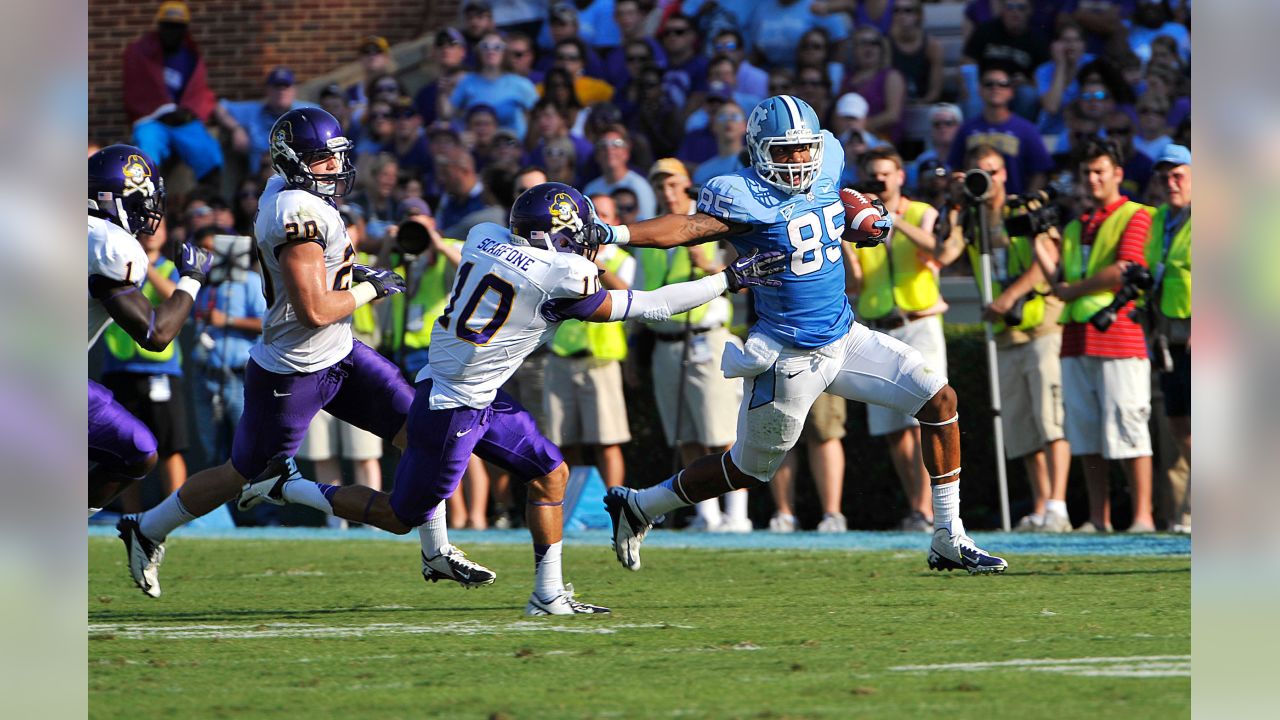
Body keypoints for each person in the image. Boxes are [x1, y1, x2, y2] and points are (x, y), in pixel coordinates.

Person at [237, 182, 785, 613]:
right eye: (574, 234)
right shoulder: (559, 274)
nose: (583, 245)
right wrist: (728, 280)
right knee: (400, 515)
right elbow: (654, 304)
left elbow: (525, 262)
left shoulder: (482, 236)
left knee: (551, 473)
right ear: (551, 237)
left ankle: (548, 593)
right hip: (450, 406)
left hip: (477, 394)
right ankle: (291, 486)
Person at [597, 95, 1009, 572]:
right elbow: (685, 228)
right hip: (787, 356)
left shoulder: (829, 162)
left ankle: (948, 536)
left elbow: (827, 216)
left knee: (939, 400)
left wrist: (860, 221)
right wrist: (613, 233)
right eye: (784, 151)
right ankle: (641, 505)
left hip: (845, 335)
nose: (798, 161)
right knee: (747, 469)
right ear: (757, 150)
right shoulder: (741, 194)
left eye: (804, 149)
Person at [114, 108, 486, 598]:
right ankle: (147, 527)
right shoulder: (296, 212)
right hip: (291, 370)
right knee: (239, 473)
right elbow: (313, 309)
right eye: (322, 159)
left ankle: (435, 549)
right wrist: (372, 288)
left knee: (417, 432)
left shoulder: (290, 194)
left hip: (342, 353)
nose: (335, 167)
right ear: (294, 162)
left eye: (335, 158)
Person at [941, 145, 1071, 532]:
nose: (988, 180)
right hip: (1004, 334)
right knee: (1021, 426)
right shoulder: (971, 216)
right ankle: (1040, 504)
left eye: (993, 172)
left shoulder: (1022, 209)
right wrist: (952, 204)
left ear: (1005, 174)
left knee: (1050, 419)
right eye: (979, 173)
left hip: (1040, 323)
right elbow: (946, 254)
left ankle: (1059, 506)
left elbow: (1048, 258)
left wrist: (1009, 297)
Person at [1032, 137, 1155, 533]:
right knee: (1084, 434)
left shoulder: (1137, 214)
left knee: (1129, 427)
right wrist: (1035, 240)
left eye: (1100, 170)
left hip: (1121, 334)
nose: (1093, 178)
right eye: (1086, 172)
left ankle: (1143, 517)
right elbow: (1061, 282)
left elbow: (1127, 267)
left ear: (1118, 174)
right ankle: (1098, 519)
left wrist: (1072, 289)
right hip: (1076, 336)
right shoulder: (1074, 226)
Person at [88, 145, 211, 515]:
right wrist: (191, 279)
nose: (148, 210)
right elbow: (156, 334)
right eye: (140, 199)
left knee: (136, 448)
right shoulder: (108, 243)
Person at [638, 158, 750, 532]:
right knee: (686, 433)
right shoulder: (650, 234)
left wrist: (706, 264)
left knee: (720, 432)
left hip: (706, 336)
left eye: (672, 185)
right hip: (667, 340)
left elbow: (745, 276)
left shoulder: (713, 225)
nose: (667, 193)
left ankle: (737, 515)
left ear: (687, 186)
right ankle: (707, 515)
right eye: (660, 187)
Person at [848, 146, 952, 532]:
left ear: (900, 176)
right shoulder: (855, 220)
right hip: (878, 325)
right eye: (873, 175)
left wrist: (893, 221)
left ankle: (929, 508)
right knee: (892, 429)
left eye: (886, 174)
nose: (880, 180)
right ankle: (917, 507)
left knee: (925, 416)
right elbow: (855, 282)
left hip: (919, 321)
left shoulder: (924, 212)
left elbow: (940, 251)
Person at [543, 194, 636, 489]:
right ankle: (570, 507)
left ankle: (614, 504)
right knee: (563, 442)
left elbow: (628, 295)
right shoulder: (563, 257)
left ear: (615, 222)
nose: (596, 222)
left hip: (600, 360)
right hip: (561, 355)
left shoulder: (623, 260)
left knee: (607, 441)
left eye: (604, 215)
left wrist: (595, 262)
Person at [99, 218, 191, 513]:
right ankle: (131, 515)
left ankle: (175, 514)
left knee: (169, 446)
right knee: (123, 448)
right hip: (120, 365)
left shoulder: (167, 267)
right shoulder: (116, 263)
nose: (151, 233)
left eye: (158, 228)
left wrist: (146, 265)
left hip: (159, 370)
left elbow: (175, 298)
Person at [188, 227, 266, 467]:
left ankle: (256, 504)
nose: (209, 258)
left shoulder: (251, 282)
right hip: (205, 375)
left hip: (238, 377)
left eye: (213, 251)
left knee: (246, 450)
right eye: (202, 251)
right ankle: (218, 505)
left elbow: (267, 323)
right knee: (212, 451)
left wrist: (229, 320)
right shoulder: (202, 286)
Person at [122, 1, 223, 183]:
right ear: (159, 27)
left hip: (182, 121)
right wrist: (161, 110)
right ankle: (148, 198)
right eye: (167, 27)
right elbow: (136, 92)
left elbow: (198, 92)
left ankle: (209, 199)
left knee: (209, 153)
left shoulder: (191, 56)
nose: (172, 32)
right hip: (152, 120)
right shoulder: (141, 52)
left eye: (177, 27)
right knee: (146, 152)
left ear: (185, 30)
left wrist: (189, 110)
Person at [1145, 144, 1191, 533]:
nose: (1170, 183)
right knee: (1180, 425)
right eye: (1165, 176)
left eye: (1178, 175)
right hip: (1167, 333)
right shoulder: (1160, 219)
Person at [948, 63, 1055, 195]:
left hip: (1014, 207)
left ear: (1011, 91)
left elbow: (1039, 172)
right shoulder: (966, 129)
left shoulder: (1027, 130)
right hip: (974, 205)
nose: (995, 88)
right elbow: (956, 169)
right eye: (989, 84)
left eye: (1002, 84)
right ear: (979, 90)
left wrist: (1025, 204)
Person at [216, 67, 315, 177]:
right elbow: (221, 107)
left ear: (294, 90)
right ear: (267, 90)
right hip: (257, 178)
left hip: (296, 176)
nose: (281, 92)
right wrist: (236, 128)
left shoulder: (307, 112)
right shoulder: (253, 111)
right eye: (277, 87)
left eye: (285, 86)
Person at [448, 31, 540, 141]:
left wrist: (529, 143)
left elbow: (538, 115)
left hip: (511, 148)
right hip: (478, 148)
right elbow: (450, 115)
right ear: (478, 51)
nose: (490, 51)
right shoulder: (467, 81)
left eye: (497, 47)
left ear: (505, 52)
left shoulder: (521, 84)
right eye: (485, 46)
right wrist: (461, 133)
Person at [583, 125, 658, 220]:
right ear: (597, 155)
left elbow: (648, 224)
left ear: (626, 152)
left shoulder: (640, 187)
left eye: (616, 144)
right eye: (603, 145)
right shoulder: (591, 188)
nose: (609, 150)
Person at [889, 0, 944, 105]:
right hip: (894, 106)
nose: (901, 15)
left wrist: (920, 104)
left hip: (923, 104)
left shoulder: (933, 46)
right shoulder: (886, 44)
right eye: (896, 11)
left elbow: (935, 91)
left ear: (918, 15)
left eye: (908, 10)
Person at [692, 101, 747, 189]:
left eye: (735, 116)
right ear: (714, 126)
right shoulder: (702, 171)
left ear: (745, 126)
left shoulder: (754, 163)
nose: (729, 120)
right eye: (723, 117)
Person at [907, 103, 962, 189]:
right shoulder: (923, 160)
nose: (942, 128)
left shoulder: (966, 157)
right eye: (937, 124)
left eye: (948, 123)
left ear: (959, 126)